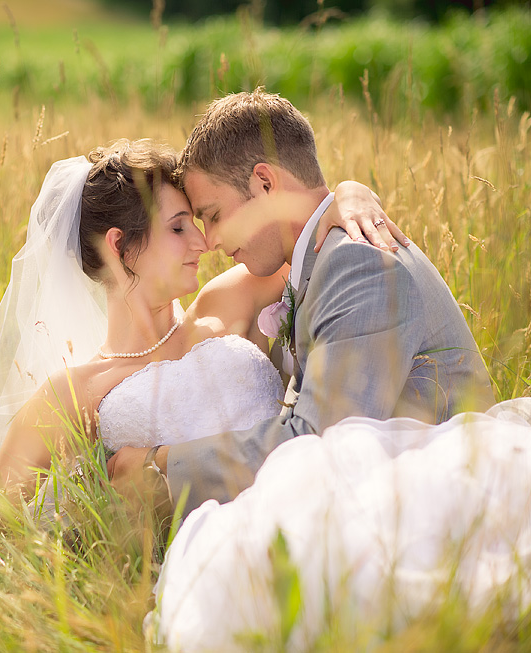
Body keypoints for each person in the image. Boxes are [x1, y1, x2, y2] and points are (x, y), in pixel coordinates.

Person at [0, 139, 401, 552]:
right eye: (180, 227)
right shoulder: (75, 391)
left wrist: (350, 192)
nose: (205, 242)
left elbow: (306, 233)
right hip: (205, 561)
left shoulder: (229, 299)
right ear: (120, 247)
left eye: (199, 222)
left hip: (314, 511)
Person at [106, 89, 496, 519]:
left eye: (214, 215)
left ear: (265, 183)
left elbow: (320, 443)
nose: (211, 241)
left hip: (439, 499)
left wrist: (161, 464)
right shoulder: (316, 260)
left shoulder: (356, 262)